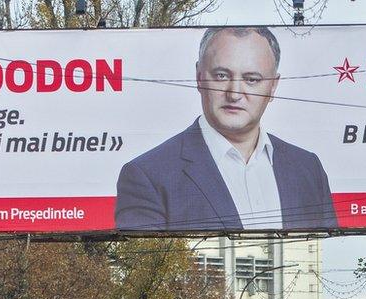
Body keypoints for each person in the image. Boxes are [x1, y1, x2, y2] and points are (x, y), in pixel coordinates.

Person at [115, 26, 338, 233]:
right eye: (221, 76)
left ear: (273, 86)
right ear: (199, 76)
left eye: (252, 79)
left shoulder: (308, 169)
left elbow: (327, 258)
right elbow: (145, 269)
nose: (234, 94)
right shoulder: (148, 176)